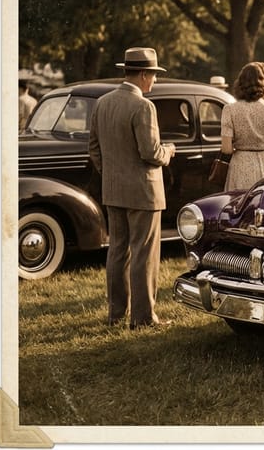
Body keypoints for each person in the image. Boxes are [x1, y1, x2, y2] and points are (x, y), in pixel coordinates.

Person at [87, 47, 176, 329]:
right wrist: (169, 152)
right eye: (153, 75)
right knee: (143, 254)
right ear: (143, 74)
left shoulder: (102, 102)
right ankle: (144, 318)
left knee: (117, 251)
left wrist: (111, 173)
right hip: (143, 191)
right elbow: (150, 152)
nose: (155, 82)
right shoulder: (143, 106)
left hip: (113, 189)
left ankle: (116, 314)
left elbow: (94, 148)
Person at [220, 62, 264, 190]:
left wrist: (243, 150)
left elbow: (226, 149)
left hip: (240, 166)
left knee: (238, 205)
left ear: (240, 84)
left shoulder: (230, 110)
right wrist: (261, 148)